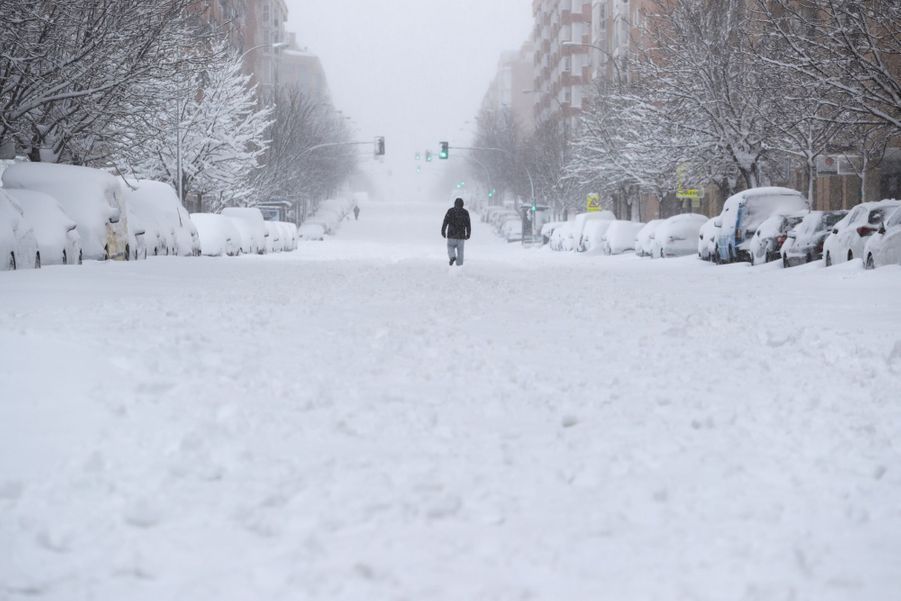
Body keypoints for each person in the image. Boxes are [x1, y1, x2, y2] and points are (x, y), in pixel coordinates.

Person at [441, 197, 471, 266]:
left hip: (451, 234)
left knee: (450, 247)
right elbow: (468, 224)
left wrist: (443, 231)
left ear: (454, 204)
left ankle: (452, 256)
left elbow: (445, 221)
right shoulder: (465, 212)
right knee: (460, 251)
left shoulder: (450, 211)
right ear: (462, 205)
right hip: (461, 236)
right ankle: (459, 265)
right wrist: (468, 234)